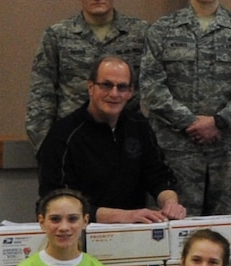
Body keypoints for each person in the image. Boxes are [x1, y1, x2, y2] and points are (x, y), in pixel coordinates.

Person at [138, 0, 231, 216]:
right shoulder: (162, 29)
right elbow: (151, 86)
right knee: (178, 233)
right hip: (177, 151)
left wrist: (218, 121)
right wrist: (190, 121)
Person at [36, 56, 186, 223]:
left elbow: (158, 175)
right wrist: (122, 216)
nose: (114, 94)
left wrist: (170, 202)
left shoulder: (138, 125)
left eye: (122, 87)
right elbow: (54, 201)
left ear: (131, 92)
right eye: (106, 85)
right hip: (80, 233)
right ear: (90, 87)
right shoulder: (62, 135)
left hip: (135, 229)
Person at [27, 0, 148, 152]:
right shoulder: (57, 35)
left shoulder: (140, 33)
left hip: (126, 140)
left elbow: (154, 86)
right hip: (73, 140)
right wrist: (46, 147)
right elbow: (41, 93)